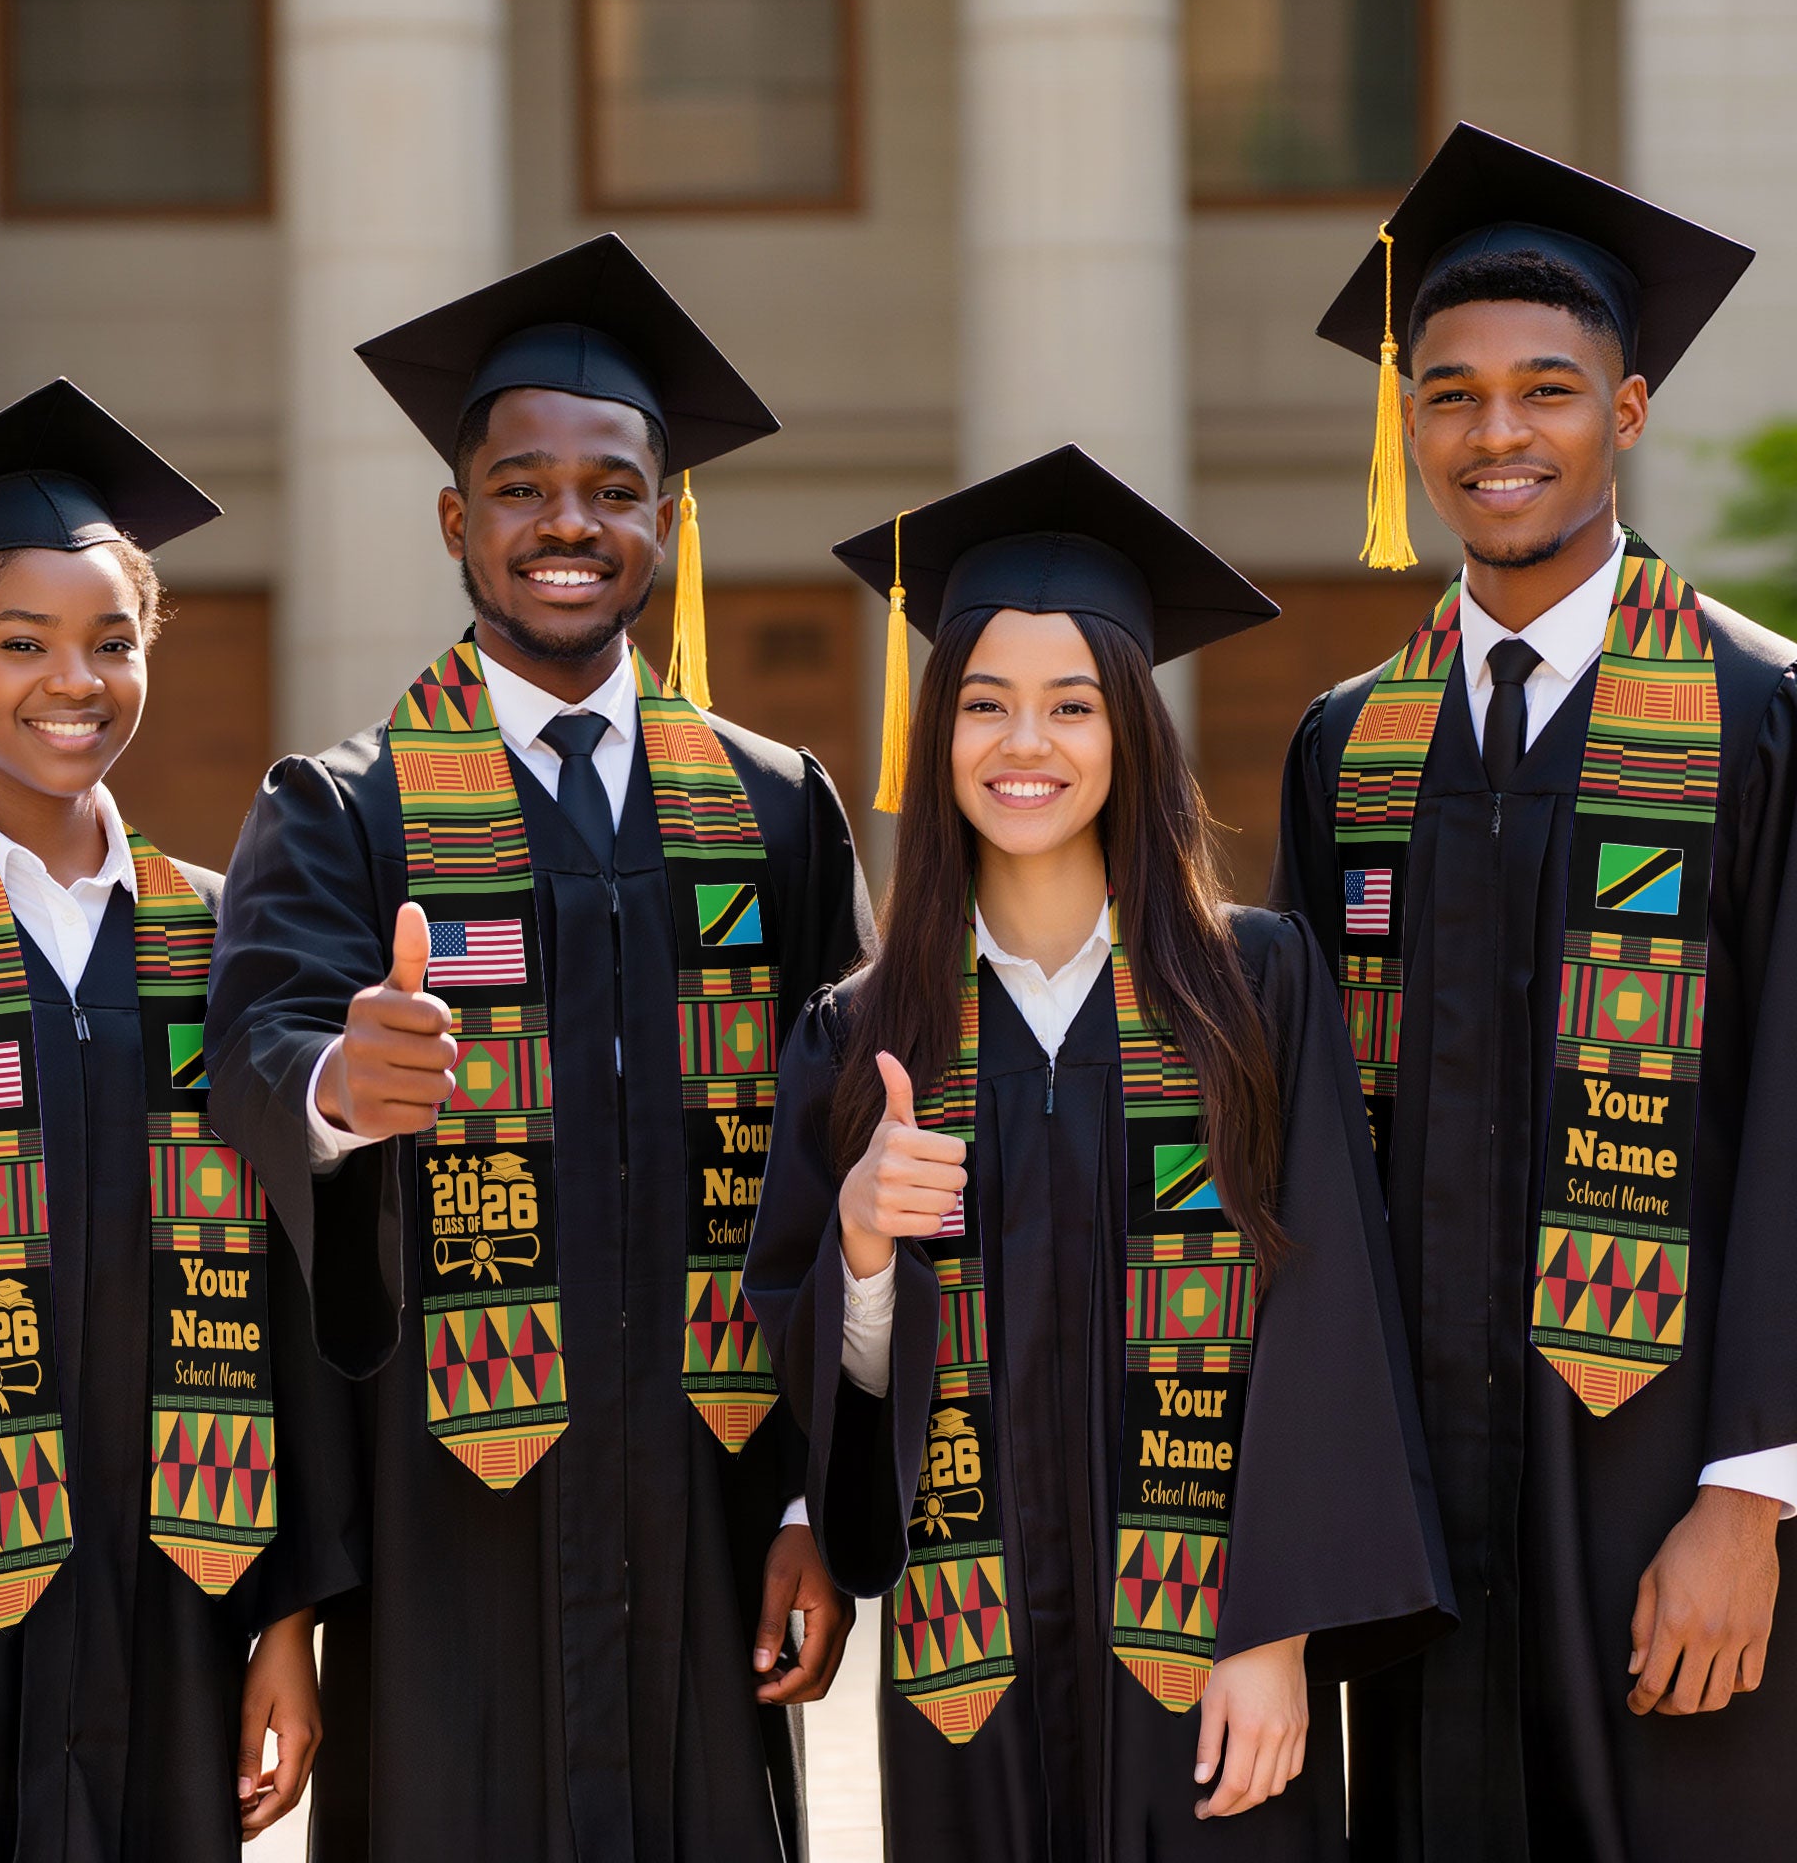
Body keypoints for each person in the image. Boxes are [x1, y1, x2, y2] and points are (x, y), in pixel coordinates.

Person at [203, 234, 872, 1859]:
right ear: (457, 521)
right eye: (520, 489)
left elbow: (847, 1158)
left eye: (613, 489)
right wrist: (339, 1088)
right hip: (450, 1527)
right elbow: (254, 1055)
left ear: (667, 521)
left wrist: (814, 1501)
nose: (568, 524)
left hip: (710, 1506)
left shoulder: (774, 810)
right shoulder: (344, 811)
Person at [746, 444, 1452, 1862]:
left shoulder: (1257, 989)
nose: (1027, 745)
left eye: (1071, 705)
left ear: (1130, 730)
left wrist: (1276, 1630)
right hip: (969, 1668)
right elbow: (827, 1398)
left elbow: (1331, 1313)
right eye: (985, 704)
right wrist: (865, 1250)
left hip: (1212, 1661)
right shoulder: (864, 1032)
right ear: (936, 734)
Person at [1273, 123, 1797, 1863]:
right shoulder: (1352, 746)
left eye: (1548, 390)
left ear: (1626, 412)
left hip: (1667, 1470)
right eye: (1452, 394)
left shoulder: (1759, 718)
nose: (1497, 433)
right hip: (1419, 1489)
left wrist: (1753, 1492)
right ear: (1408, 425)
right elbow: (1303, 1143)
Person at [0, 379, 361, 1862]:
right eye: (21, 642)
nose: (74, 680)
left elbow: (295, 1293)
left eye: (112, 642)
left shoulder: (221, 939)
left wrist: (288, 1621)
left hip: (171, 1585)